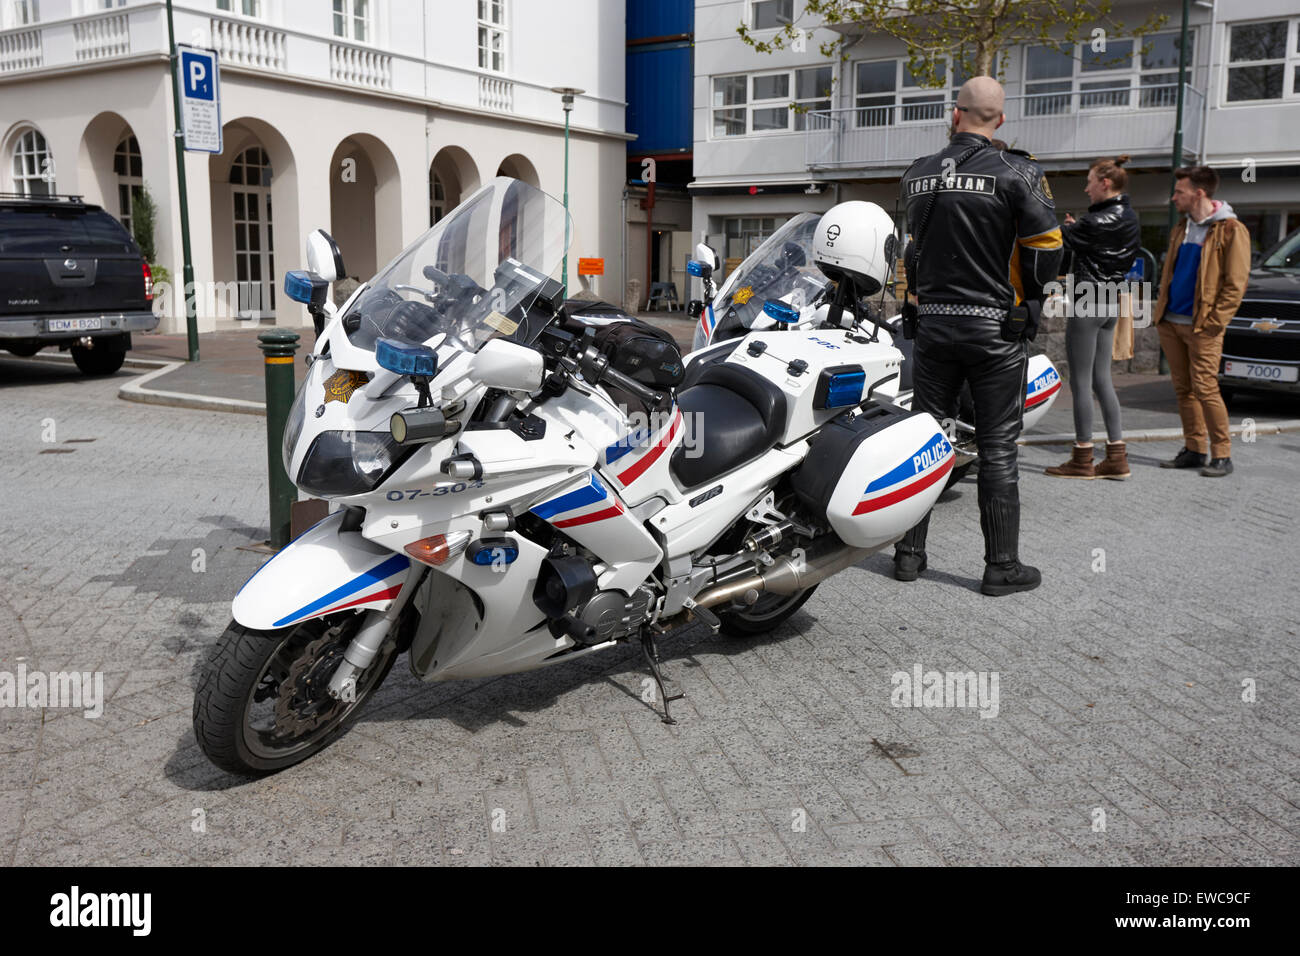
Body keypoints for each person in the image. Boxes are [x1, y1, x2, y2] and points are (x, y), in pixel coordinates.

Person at [893, 76, 1063, 596]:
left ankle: (908, 555)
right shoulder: (1020, 172)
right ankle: (1001, 567)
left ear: (954, 115)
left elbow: (911, 251)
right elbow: (1047, 250)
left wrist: (917, 301)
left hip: (934, 327)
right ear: (1001, 121)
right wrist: (1030, 303)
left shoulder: (916, 174)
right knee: (997, 448)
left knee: (925, 439)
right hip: (995, 329)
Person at [1044, 155, 1141, 480]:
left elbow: (1054, 239)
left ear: (1105, 183)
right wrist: (1076, 229)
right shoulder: (1129, 217)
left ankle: (1082, 457)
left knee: (1082, 382)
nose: (1086, 188)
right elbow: (1090, 240)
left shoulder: (1093, 222)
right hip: (1113, 300)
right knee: (1103, 380)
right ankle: (1117, 456)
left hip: (1088, 299)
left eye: (1089, 182)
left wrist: (1071, 228)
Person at [1152, 166, 1251, 477]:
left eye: (1179, 192)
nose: (1173, 198)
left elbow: (1235, 284)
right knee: (1184, 390)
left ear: (1199, 193)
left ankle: (1222, 455)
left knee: (1206, 389)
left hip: (1202, 326)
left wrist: (1214, 322)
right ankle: (1194, 450)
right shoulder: (1181, 228)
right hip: (1171, 322)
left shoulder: (1232, 230)